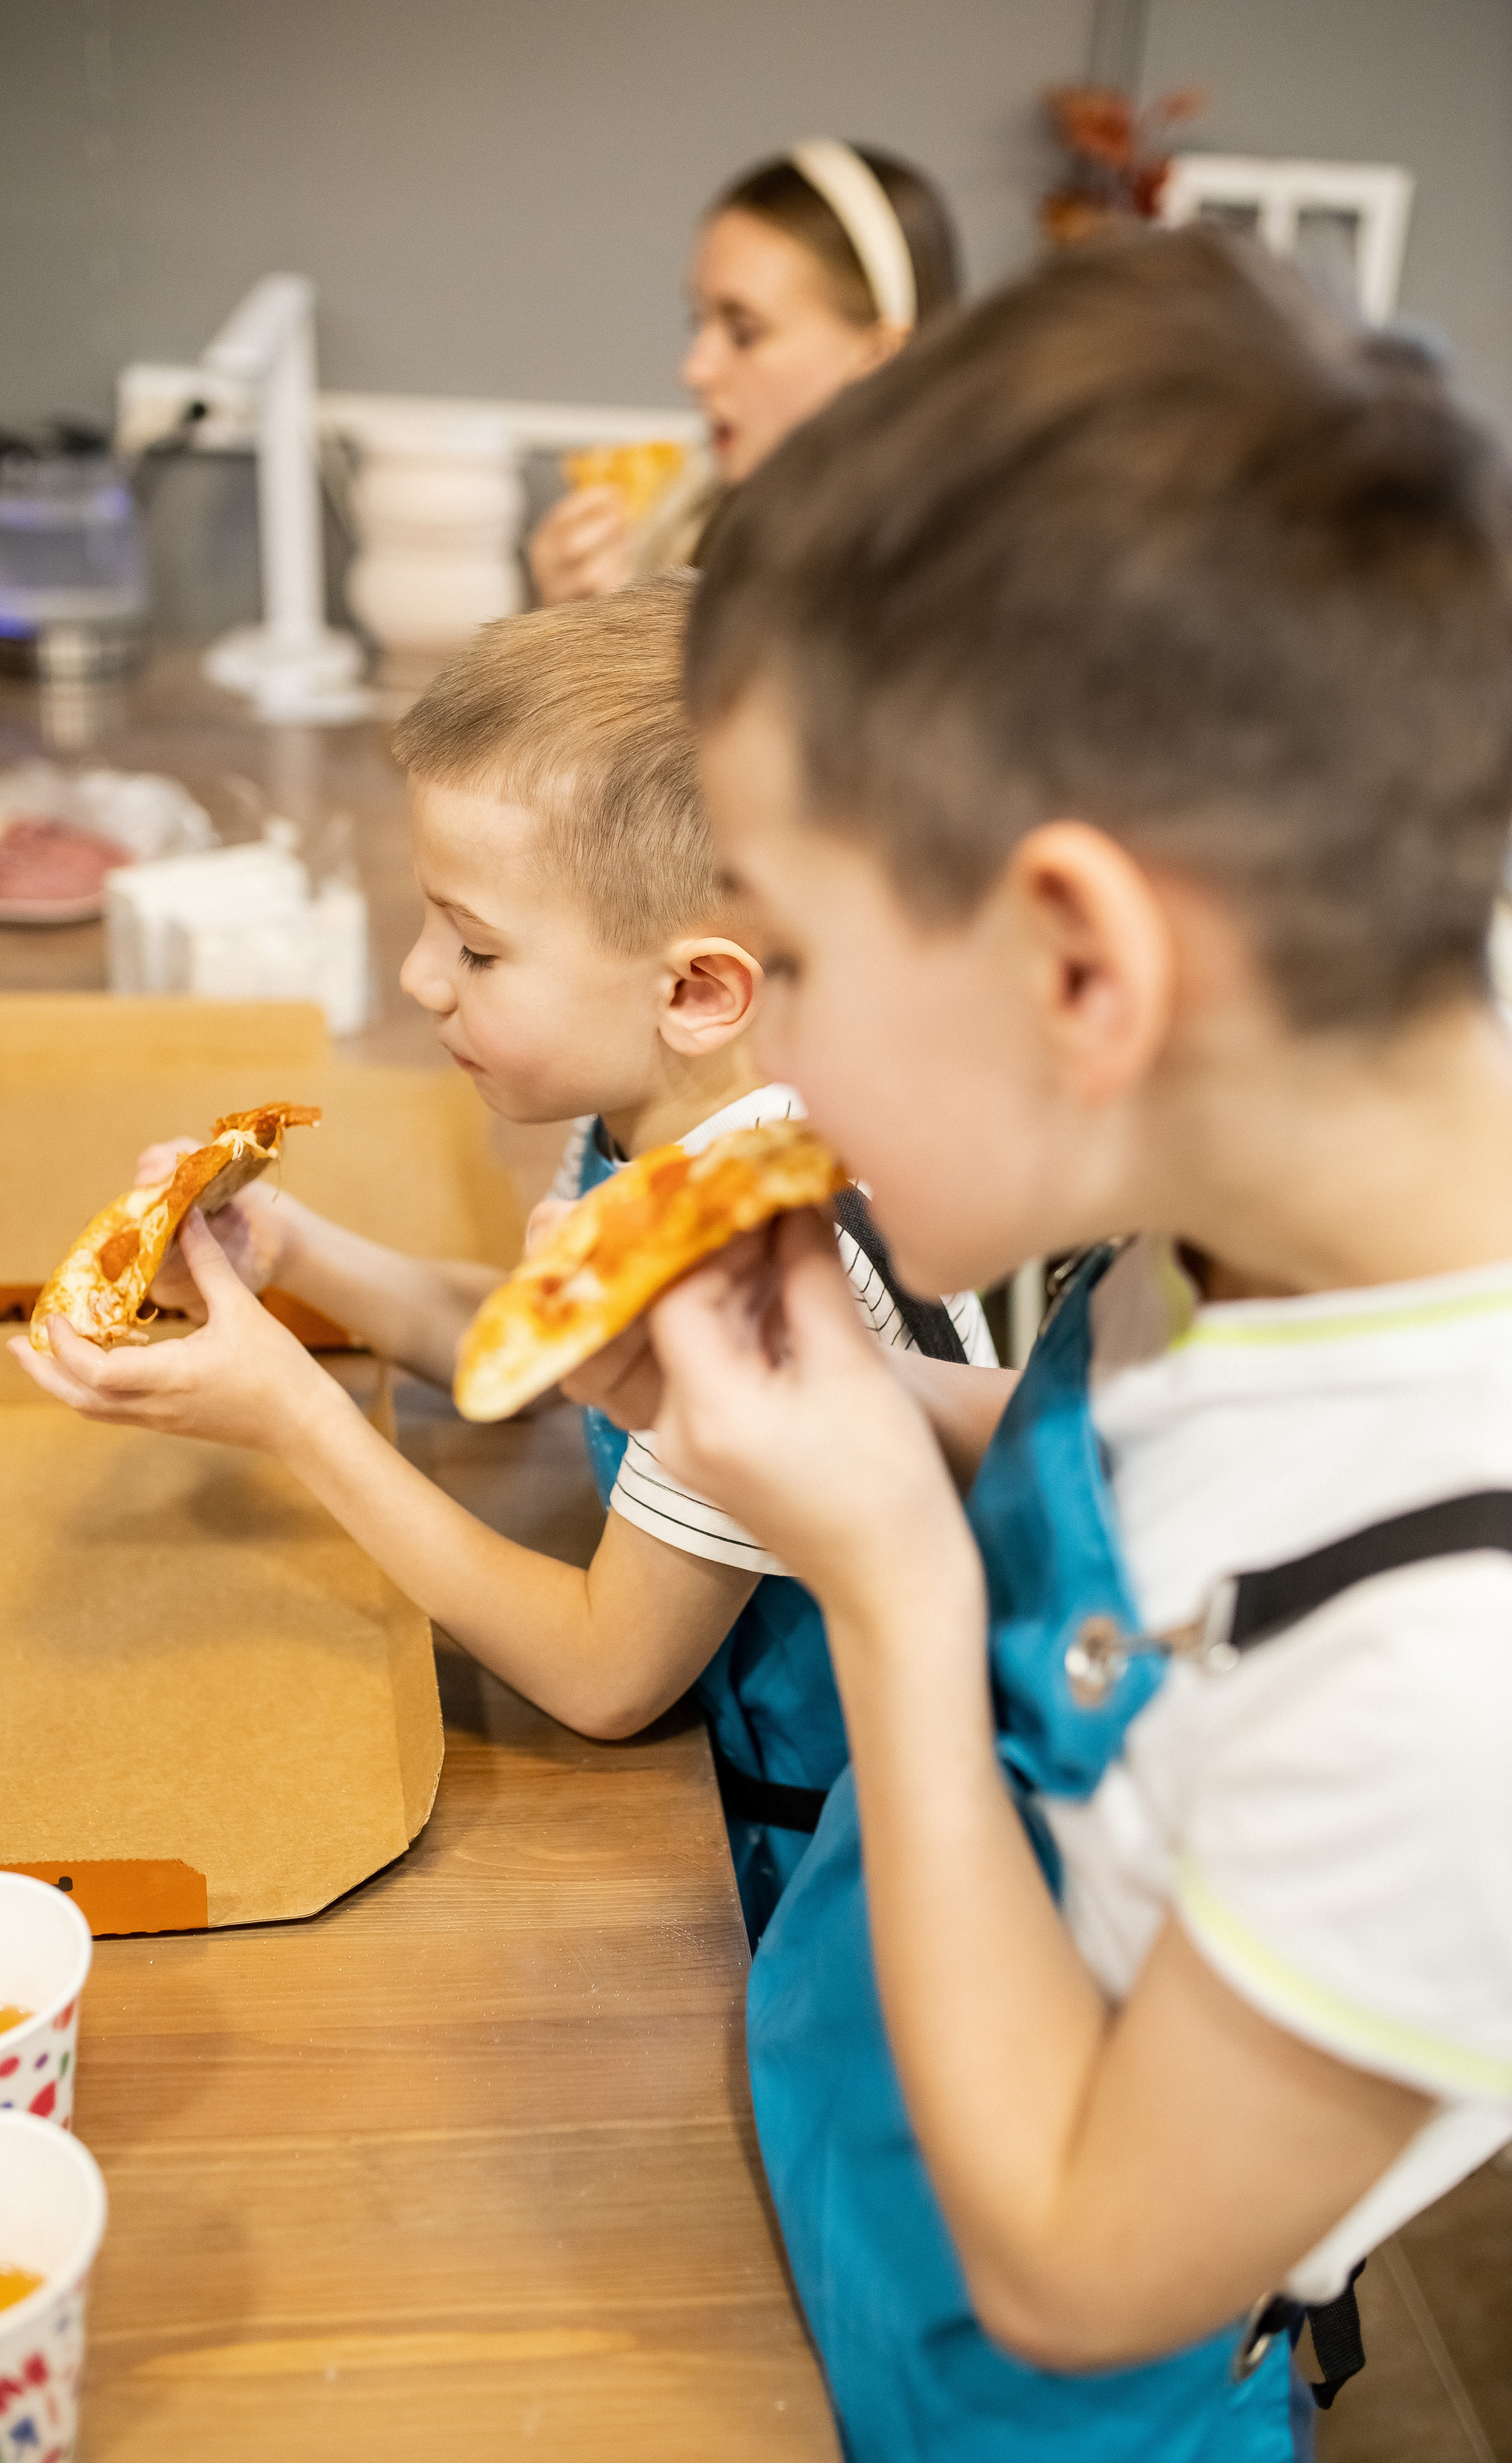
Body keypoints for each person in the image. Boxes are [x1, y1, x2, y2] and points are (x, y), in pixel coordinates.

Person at [564, 228, 1512, 2459]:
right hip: (840, 2158)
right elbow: (1169, 1539)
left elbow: (1083, 2271)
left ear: (1082, 969)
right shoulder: (1261, 1172)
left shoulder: (1451, 1680)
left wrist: (892, 1582)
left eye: (799, 958)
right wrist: (899, 1409)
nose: (764, 1051)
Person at [10, 575, 1008, 1943]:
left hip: (824, 1867)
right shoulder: (663, 1108)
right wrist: (290, 1248)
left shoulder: (748, 1257)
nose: (421, 979)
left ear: (696, 990)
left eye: (477, 948)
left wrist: (296, 1416)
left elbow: (608, 1676)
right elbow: (529, 1350)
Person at [529, 140, 961, 605]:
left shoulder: (946, 585)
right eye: (698, 322)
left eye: (744, 333)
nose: (694, 370)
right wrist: (572, 626)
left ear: (881, 357)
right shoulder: (685, 535)